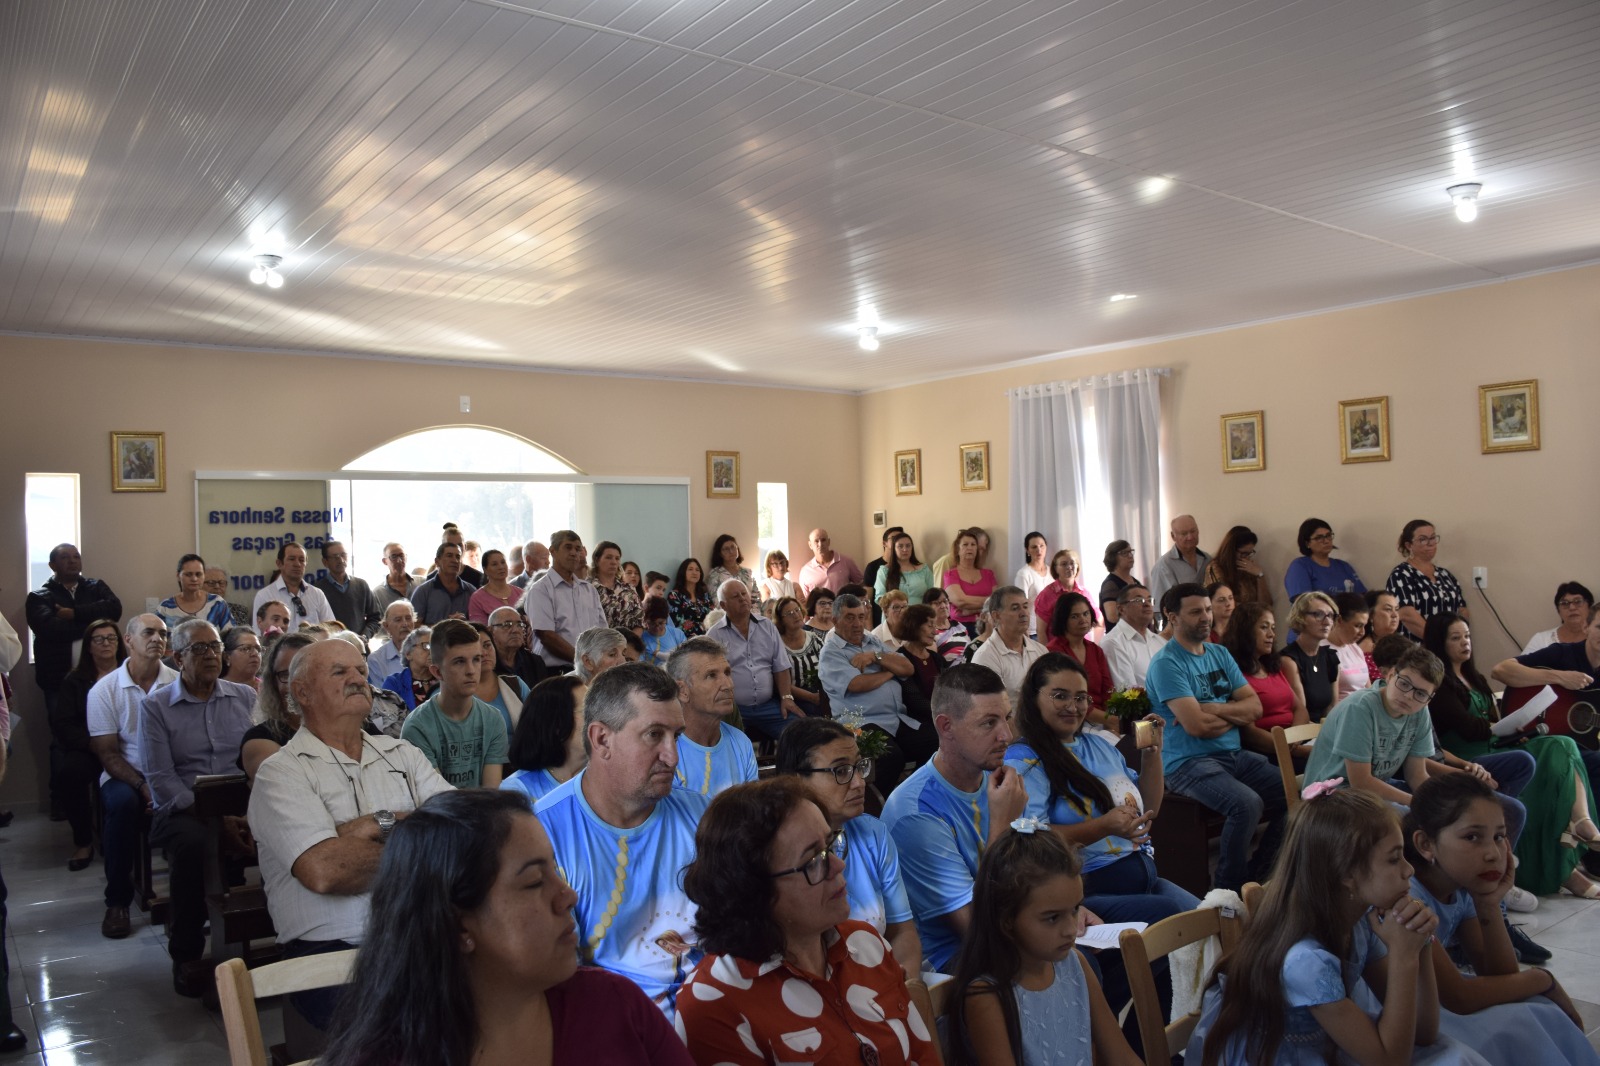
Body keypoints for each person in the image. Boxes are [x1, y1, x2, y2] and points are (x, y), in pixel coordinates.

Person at [317, 789, 690, 1066]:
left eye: (554, 871)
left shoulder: (613, 1004)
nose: (568, 896)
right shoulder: (389, 1057)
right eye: (533, 882)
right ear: (458, 925)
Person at [1188, 789, 1482, 1066]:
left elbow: (1424, 1033)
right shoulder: (1305, 961)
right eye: (1394, 859)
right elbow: (1390, 1061)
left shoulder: (1360, 922)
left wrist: (1420, 943)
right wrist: (1404, 957)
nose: (1409, 869)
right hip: (1282, 1058)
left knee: (1454, 1054)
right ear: (1347, 874)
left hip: (1330, 1048)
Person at [249, 639, 454, 1033]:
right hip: (332, 952)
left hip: (422, 936)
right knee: (411, 1029)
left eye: (361, 670)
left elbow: (459, 832)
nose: (358, 679)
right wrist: (414, 838)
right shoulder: (282, 772)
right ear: (302, 692)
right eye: (339, 672)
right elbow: (327, 871)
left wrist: (365, 829)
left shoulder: (402, 754)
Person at [677, 777, 939, 1064]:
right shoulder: (713, 1003)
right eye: (813, 860)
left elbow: (923, 1057)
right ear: (753, 889)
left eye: (831, 844)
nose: (838, 865)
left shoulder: (866, 943)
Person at [532, 662, 710, 1017]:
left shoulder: (703, 816)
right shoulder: (543, 835)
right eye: (654, 735)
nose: (673, 756)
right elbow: (556, 980)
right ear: (601, 739)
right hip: (614, 1024)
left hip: (713, 1010)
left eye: (676, 735)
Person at [1403, 775, 1598, 1066]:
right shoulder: (1408, 898)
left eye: (1498, 837)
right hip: (1403, 1017)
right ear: (1425, 844)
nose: (1493, 854)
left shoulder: (1461, 887)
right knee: (1524, 1018)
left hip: (1437, 1003)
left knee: (1537, 1006)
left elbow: (1499, 974)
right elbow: (1459, 997)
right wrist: (1542, 978)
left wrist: (1489, 904)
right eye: (1472, 837)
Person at [1007, 654, 1198, 920]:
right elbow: (1031, 839)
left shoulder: (1098, 745)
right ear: (1033, 698)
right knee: (1174, 918)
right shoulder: (1024, 759)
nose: (1073, 706)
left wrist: (1152, 755)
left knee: (1215, 918)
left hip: (1143, 879)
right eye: (1060, 696)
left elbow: (1149, 808)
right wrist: (1103, 827)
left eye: (1080, 697)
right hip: (1084, 892)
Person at [1424, 612, 1598, 899]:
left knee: (1560, 748)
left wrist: (1515, 729)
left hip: (1496, 747)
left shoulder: (1474, 677)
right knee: (1555, 750)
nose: (1465, 642)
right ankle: (1577, 830)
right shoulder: (1439, 684)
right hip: (1470, 756)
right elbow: (1468, 728)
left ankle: (1576, 831)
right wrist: (1500, 728)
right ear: (1439, 642)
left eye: (1467, 636)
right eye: (1456, 638)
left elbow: (1491, 722)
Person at [946, 826, 1142, 1066]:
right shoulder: (988, 995)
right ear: (1007, 920)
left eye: (1074, 909)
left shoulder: (1076, 963)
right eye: (1052, 917)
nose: (1071, 929)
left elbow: (1122, 1057)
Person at [881, 664, 1028, 973]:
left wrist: (1064, 912)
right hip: (955, 958)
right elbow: (978, 930)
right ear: (946, 727)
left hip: (1016, 924)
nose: (1007, 735)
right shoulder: (916, 813)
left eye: (1007, 717)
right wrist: (1002, 824)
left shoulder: (995, 779)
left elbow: (1031, 872)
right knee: (1071, 961)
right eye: (989, 723)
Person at [140, 619, 257, 996]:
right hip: (185, 809)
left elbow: (259, 760)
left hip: (241, 803)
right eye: (199, 648)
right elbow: (161, 779)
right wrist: (218, 817)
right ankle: (186, 952)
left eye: (216, 646)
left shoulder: (244, 697)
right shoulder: (156, 707)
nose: (211, 655)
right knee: (195, 846)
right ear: (178, 658)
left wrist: (245, 813)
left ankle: (270, 936)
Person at [1146, 582, 1283, 892]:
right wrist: (1231, 714)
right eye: (1196, 612)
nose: (1206, 617)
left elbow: (1255, 707)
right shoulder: (1167, 663)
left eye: (1208, 609)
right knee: (1247, 805)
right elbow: (1197, 727)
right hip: (1187, 762)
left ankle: (1260, 874)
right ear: (1173, 617)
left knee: (1295, 793)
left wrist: (1212, 708)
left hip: (1233, 755)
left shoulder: (1219, 653)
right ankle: (1228, 890)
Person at [774, 717, 923, 971]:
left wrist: (908, 987)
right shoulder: (778, 854)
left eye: (859, 767)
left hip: (883, 979)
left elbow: (902, 933)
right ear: (796, 780)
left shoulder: (873, 833)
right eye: (841, 771)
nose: (859, 782)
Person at [86, 613, 174, 939]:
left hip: (170, 771)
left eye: (163, 633)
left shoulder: (177, 682)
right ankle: (117, 901)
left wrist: (163, 784)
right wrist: (142, 785)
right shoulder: (104, 690)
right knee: (123, 805)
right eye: (149, 632)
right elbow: (108, 753)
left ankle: (202, 892)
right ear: (128, 640)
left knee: (201, 800)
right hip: (125, 774)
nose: (157, 639)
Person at [819, 593, 931, 789]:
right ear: (835, 621)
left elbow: (907, 668)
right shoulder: (831, 652)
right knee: (891, 757)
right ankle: (879, 803)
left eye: (861, 617)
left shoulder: (872, 641)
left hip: (896, 719)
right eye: (850, 617)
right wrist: (890, 671)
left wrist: (876, 656)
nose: (857, 624)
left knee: (935, 742)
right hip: (861, 724)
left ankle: (915, 793)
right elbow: (857, 684)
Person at [51, 618, 123, 872]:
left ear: (119, 643)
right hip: (89, 747)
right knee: (69, 774)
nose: (106, 643)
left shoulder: (132, 673)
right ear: (89, 646)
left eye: (111, 638)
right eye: (98, 639)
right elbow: (64, 724)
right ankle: (83, 841)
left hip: (126, 747)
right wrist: (93, 744)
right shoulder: (75, 680)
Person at [401, 619, 508, 788]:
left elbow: (491, 792)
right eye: (459, 661)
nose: (471, 671)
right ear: (437, 672)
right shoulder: (417, 727)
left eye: (476, 659)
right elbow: (438, 798)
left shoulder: (493, 718)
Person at [705, 578, 798, 741]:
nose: (742, 598)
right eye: (735, 596)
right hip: (732, 709)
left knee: (799, 733)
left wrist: (786, 698)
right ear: (724, 605)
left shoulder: (767, 626)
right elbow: (709, 677)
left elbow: (781, 666)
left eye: (744, 594)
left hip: (768, 706)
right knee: (725, 743)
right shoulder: (714, 635)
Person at [665, 637, 758, 795]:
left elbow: (753, 805)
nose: (728, 685)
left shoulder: (741, 743)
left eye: (727, 673)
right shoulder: (665, 754)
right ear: (682, 691)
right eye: (711, 675)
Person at [1221, 602, 1311, 763]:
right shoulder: (1234, 673)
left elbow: (1300, 709)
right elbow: (1249, 733)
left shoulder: (1271, 666)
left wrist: (1294, 740)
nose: (1271, 634)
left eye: (1273, 628)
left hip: (1294, 743)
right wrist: (1295, 749)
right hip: (1268, 751)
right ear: (1245, 631)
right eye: (1264, 627)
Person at [241, 632, 320, 783]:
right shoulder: (260, 739)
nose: (296, 684)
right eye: (286, 675)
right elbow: (294, 787)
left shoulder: (353, 727)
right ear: (273, 684)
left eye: (307, 672)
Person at [525, 530, 606, 669]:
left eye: (578, 549)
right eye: (568, 547)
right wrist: (582, 661)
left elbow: (602, 631)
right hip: (557, 671)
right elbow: (546, 636)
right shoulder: (541, 589)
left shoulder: (589, 590)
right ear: (553, 551)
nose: (574, 553)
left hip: (590, 668)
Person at [500, 675, 588, 802]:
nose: (599, 718)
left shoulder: (605, 778)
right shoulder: (517, 790)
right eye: (587, 710)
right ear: (557, 724)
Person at [1386, 519, 1469, 640]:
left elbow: (1462, 610)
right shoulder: (1401, 574)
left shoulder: (1445, 575)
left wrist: (1458, 637)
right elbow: (1406, 614)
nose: (1430, 543)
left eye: (1433, 538)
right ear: (1409, 545)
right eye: (1423, 539)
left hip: (1451, 644)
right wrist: (1438, 640)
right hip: (1417, 646)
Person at [1045, 592, 1114, 725]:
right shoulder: (1054, 651)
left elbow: (1108, 690)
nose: (1083, 620)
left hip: (1103, 720)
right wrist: (1110, 720)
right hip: (1070, 719)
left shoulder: (1095, 650)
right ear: (1063, 620)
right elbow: (1066, 697)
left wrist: (1111, 719)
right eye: (1074, 616)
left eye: (1086, 614)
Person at [1281, 591, 1342, 722]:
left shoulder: (1330, 657)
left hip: (1325, 727)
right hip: (1301, 729)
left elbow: (1332, 707)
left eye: (1330, 615)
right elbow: (1301, 713)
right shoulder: (1289, 660)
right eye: (1318, 614)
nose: (1327, 622)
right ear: (1300, 617)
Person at [894, 603, 945, 742]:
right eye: (930, 626)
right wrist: (946, 713)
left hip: (940, 716)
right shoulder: (900, 659)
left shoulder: (937, 658)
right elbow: (915, 701)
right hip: (915, 724)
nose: (935, 632)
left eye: (935, 626)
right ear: (914, 625)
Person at [253, 542, 336, 628]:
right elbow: (258, 631)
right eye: (292, 559)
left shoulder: (317, 594)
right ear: (279, 564)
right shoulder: (264, 595)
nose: (297, 564)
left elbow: (331, 629)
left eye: (301, 560)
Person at [1100, 583, 1165, 690]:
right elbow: (1127, 692)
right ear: (1121, 609)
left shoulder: (1160, 642)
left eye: (1149, 600)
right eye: (1139, 600)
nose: (1147, 604)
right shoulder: (1113, 643)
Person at [470, 621, 529, 736]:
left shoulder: (515, 683)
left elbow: (537, 722)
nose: (483, 653)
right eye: (474, 648)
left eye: (487, 645)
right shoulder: (451, 693)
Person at [1284, 518, 1367, 600]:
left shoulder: (1343, 566)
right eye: (1319, 538)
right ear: (1307, 543)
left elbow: (1362, 597)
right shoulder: (1300, 566)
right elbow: (1303, 602)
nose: (1326, 541)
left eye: (1328, 536)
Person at [314, 541, 380, 638]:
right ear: (325, 562)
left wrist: (365, 636)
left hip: (360, 644)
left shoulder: (361, 585)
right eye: (335, 557)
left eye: (343, 555)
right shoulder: (317, 590)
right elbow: (315, 626)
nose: (341, 560)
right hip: (332, 645)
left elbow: (375, 618)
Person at [772, 595, 825, 716]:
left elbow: (828, 667)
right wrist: (811, 697)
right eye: (789, 613)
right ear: (780, 620)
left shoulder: (814, 638)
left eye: (797, 610)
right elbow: (778, 682)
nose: (796, 615)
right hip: (792, 698)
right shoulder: (777, 645)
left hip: (819, 693)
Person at [156, 553, 234, 634]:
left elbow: (231, 636)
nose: (194, 579)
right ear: (178, 576)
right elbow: (156, 637)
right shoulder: (165, 607)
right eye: (188, 574)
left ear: (204, 576)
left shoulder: (217, 603)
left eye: (198, 574)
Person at [1203, 525, 1273, 611]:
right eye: (1243, 553)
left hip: (1253, 617)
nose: (1246, 557)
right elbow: (1224, 604)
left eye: (1250, 553)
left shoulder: (1250, 568)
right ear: (1231, 550)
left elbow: (1266, 605)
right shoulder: (1216, 568)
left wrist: (1260, 575)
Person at [1147, 515, 1210, 611]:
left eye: (1193, 531)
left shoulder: (1208, 559)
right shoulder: (1163, 565)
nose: (1190, 537)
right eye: (1184, 534)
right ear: (1173, 536)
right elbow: (1159, 608)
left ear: (1198, 531)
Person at [942, 529, 996, 637]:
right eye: (965, 545)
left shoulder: (988, 574)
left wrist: (968, 611)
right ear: (958, 550)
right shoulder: (950, 574)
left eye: (973, 544)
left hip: (987, 626)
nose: (970, 548)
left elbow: (995, 601)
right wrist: (985, 605)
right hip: (960, 629)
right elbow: (960, 601)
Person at [1032, 548, 1091, 642]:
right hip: (1058, 648)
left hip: (1083, 646)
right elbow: (1041, 631)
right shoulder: (1047, 595)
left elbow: (1098, 621)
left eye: (1072, 563)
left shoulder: (1084, 592)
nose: (1069, 567)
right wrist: (1047, 651)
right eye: (1064, 564)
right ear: (1056, 569)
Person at [410, 542, 476, 624]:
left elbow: (478, 624)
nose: (455, 560)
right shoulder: (423, 591)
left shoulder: (470, 591)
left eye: (458, 557)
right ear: (437, 561)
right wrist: (446, 624)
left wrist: (465, 624)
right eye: (449, 556)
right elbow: (414, 626)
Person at [1524, 582, 1594, 654]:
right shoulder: (1541, 640)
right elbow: (1519, 661)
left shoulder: (1597, 638)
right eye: (1564, 603)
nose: (1572, 607)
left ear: (1589, 607)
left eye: (1578, 601)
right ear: (1559, 611)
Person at [588, 541, 642, 633]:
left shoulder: (629, 589)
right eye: (608, 557)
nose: (614, 562)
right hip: (598, 640)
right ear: (597, 560)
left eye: (617, 558)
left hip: (628, 640)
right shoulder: (587, 588)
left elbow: (639, 623)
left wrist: (629, 642)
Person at [1328, 592, 1375, 698]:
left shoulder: (1354, 648)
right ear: (1339, 620)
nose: (1362, 632)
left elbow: (1369, 689)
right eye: (1358, 626)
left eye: (1364, 626)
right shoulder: (1323, 650)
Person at [487, 605, 546, 689]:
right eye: (507, 625)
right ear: (491, 631)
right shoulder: (487, 663)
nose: (515, 630)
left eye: (519, 624)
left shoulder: (534, 662)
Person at [796, 527, 863, 598]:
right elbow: (806, 601)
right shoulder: (805, 571)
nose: (820, 544)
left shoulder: (846, 562)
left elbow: (861, 584)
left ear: (828, 542)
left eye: (823, 540)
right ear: (810, 545)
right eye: (816, 541)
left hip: (843, 604)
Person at [875, 530, 934, 610]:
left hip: (920, 613)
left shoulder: (923, 569)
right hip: (895, 613)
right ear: (894, 549)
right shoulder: (884, 571)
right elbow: (880, 597)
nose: (905, 549)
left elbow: (933, 594)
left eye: (908, 546)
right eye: (900, 546)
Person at [381, 626, 434, 710]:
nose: (432, 651)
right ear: (408, 654)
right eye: (426, 646)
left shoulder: (445, 678)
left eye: (435, 646)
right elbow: (389, 715)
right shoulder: (394, 683)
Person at [366, 600, 415, 687]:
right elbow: (381, 693)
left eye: (408, 618)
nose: (405, 624)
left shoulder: (427, 652)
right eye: (398, 620)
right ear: (386, 626)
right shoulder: (376, 660)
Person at [467, 548, 523, 624]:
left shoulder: (520, 593)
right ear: (485, 570)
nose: (501, 567)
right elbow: (480, 628)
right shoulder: (477, 598)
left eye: (503, 562)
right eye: (494, 564)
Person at [861, 526, 904, 623]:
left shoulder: (906, 566)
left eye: (900, 538)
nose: (897, 541)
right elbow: (867, 599)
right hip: (880, 620)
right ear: (884, 543)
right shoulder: (873, 567)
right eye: (894, 538)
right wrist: (869, 626)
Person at [1013, 530, 1052, 636]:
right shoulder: (1024, 574)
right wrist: (1025, 632)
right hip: (1033, 631)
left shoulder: (1052, 572)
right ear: (1027, 550)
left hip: (1052, 629)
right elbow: (1020, 605)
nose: (1039, 550)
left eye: (1041, 546)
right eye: (1034, 547)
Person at [666, 557, 714, 636]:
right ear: (683, 572)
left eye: (697, 570)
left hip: (709, 636)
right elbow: (678, 623)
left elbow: (713, 616)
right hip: (686, 639)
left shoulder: (704, 594)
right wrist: (702, 626)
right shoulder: (674, 595)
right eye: (690, 569)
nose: (694, 573)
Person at [707, 533, 759, 603]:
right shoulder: (715, 575)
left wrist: (752, 609)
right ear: (720, 553)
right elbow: (716, 601)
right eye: (726, 549)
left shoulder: (748, 572)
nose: (731, 551)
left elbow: (756, 597)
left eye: (733, 547)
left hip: (750, 609)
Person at [640, 595, 687, 667]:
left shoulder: (678, 635)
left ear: (667, 618)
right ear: (645, 620)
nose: (657, 628)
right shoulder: (641, 639)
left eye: (661, 623)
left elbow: (685, 658)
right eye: (652, 623)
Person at [371, 542, 417, 614]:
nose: (399, 561)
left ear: (406, 557)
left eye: (402, 556)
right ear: (385, 561)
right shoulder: (378, 593)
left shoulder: (420, 583)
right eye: (393, 557)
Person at [1099, 540, 1137, 625]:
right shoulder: (1110, 584)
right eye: (1124, 553)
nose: (1130, 556)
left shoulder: (1136, 582)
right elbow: (1112, 616)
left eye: (1131, 552)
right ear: (1113, 558)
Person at [1363, 588, 1403, 656]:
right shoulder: (1366, 647)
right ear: (1371, 615)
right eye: (1388, 609)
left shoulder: (1402, 643)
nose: (1395, 615)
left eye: (1396, 609)